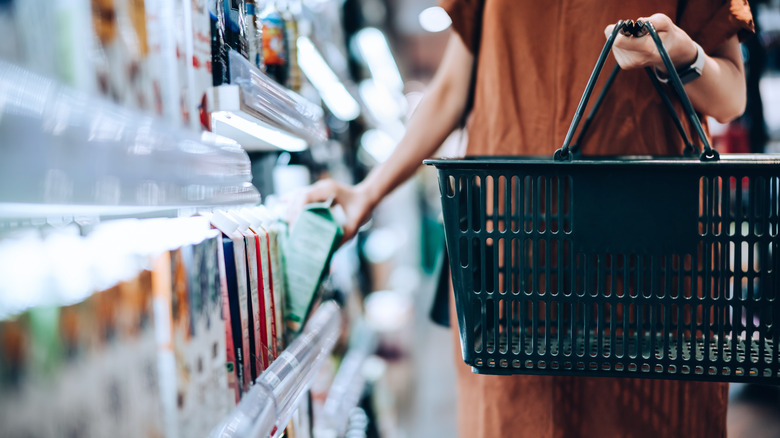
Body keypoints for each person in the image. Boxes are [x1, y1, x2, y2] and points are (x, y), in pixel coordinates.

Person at [299, 1, 754, 436]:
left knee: (642, 417)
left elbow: (731, 96)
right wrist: (367, 192)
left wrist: (680, 56)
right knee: (517, 418)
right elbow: (452, 91)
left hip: (644, 281)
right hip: (513, 283)